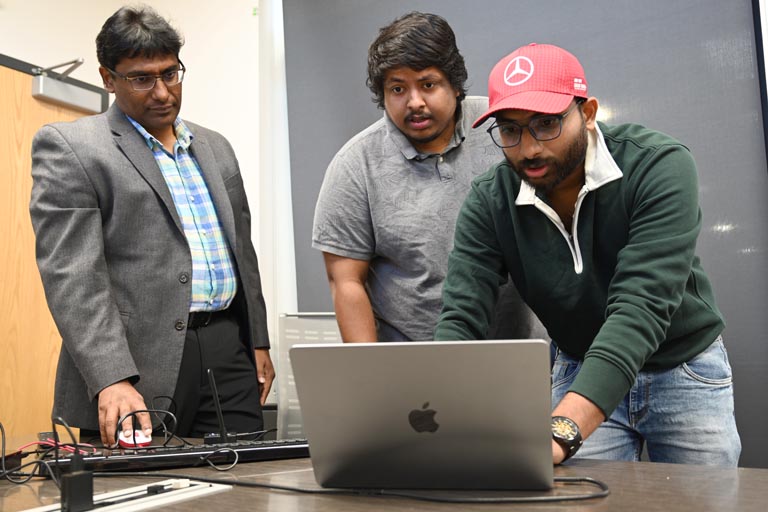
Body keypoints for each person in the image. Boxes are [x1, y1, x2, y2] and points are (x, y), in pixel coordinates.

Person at [435, 43, 741, 466]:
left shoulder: (658, 165)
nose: (528, 149)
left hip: (682, 368)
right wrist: (429, 416)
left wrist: (562, 430)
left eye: (547, 124)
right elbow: (461, 315)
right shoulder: (491, 199)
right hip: (578, 363)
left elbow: (641, 307)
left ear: (589, 112)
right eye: (510, 130)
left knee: (706, 502)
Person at [30, 5, 274, 447]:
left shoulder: (215, 146)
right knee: (140, 490)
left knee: (251, 480)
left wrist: (257, 341)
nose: (162, 92)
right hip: (136, 359)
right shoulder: (73, 148)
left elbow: (242, 250)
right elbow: (73, 277)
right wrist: (112, 377)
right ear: (109, 79)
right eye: (143, 78)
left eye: (171, 74)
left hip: (227, 349)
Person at [312, 11, 543, 342]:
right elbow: (346, 282)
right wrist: (370, 375)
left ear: (455, 84)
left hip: (517, 348)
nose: (414, 102)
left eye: (428, 84)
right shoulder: (354, 166)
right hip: (410, 363)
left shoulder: (502, 129)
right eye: (397, 89)